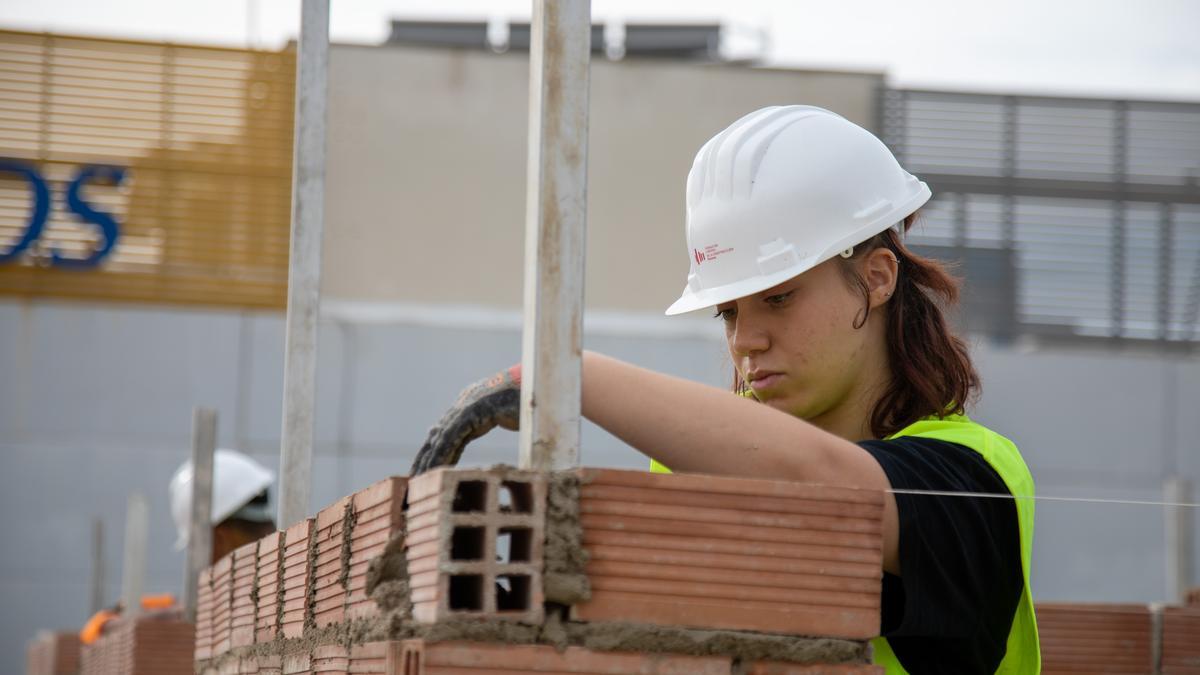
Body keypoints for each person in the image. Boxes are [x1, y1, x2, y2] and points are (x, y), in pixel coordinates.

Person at [411, 105, 1038, 674]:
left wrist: (567, 375)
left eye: (778, 298)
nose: (745, 341)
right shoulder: (693, 467)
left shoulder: (976, 472)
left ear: (875, 279)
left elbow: (831, 487)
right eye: (729, 313)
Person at [80, 449, 275, 645]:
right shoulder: (281, 572)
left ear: (218, 538)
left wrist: (121, 623)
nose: (202, 563)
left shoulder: (249, 600)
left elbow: (92, 632)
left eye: (194, 547)